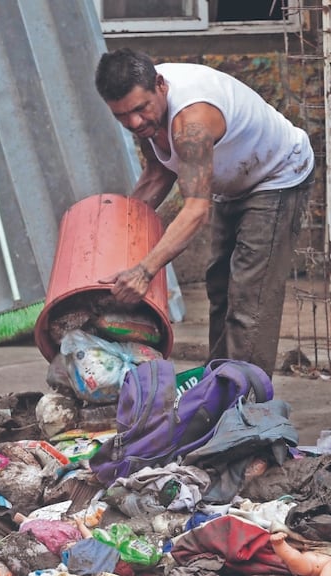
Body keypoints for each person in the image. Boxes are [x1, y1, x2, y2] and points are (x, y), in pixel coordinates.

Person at [95, 48, 314, 377]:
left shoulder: (191, 123)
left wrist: (144, 270)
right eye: (122, 116)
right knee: (220, 285)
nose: (134, 122)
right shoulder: (147, 106)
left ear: (160, 85)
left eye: (140, 110)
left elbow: (196, 209)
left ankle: (248, 408)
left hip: (277, 176)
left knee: (249, 296)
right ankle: (218, 384)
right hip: (232, 180)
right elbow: (158, 173)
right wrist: (113, 235)